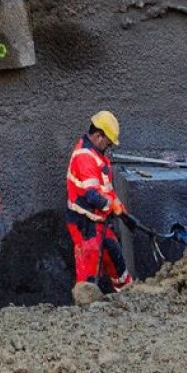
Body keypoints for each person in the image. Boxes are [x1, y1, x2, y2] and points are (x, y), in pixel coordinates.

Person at [66, 109, 132, 302]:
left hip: (99, 222)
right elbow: (93, 196)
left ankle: (128, 295)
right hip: (84, 224)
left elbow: (106, 189)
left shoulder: (98, 155)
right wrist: (111, 206)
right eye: (108, 142)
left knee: (115, 256)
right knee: (88, 269)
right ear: (98, 135)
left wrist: (123, 212)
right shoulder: (84, 157)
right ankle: (86, 309)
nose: (109, 146)